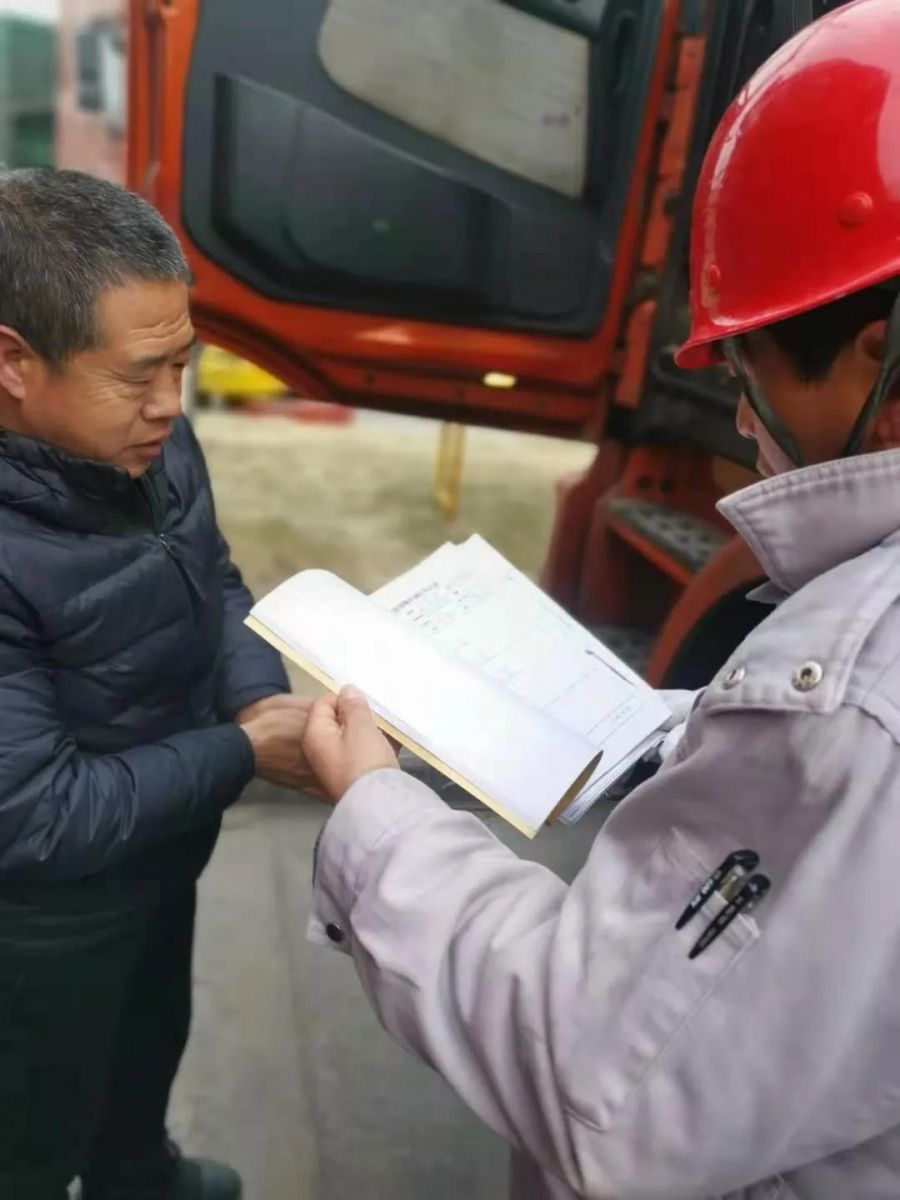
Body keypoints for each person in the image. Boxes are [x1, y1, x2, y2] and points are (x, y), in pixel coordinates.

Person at [300, 3, 900, 1196]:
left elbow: (599, 1082)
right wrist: (686, 729)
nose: (741, 418)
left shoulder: (854, 705)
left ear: (879, 355)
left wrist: (371, 810)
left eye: (749, 368)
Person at [0, 169, 313, 1200]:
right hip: (43, 925)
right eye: (139, 376)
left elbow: (211, 574)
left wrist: (257, 696)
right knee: (30, 1138)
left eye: (183, 363)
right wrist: (244, 751)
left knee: (145, 1051)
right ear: (13, 362)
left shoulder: (150, 438)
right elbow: (36, 816)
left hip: (160, 851)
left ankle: (137, 1170)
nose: (171, 406)